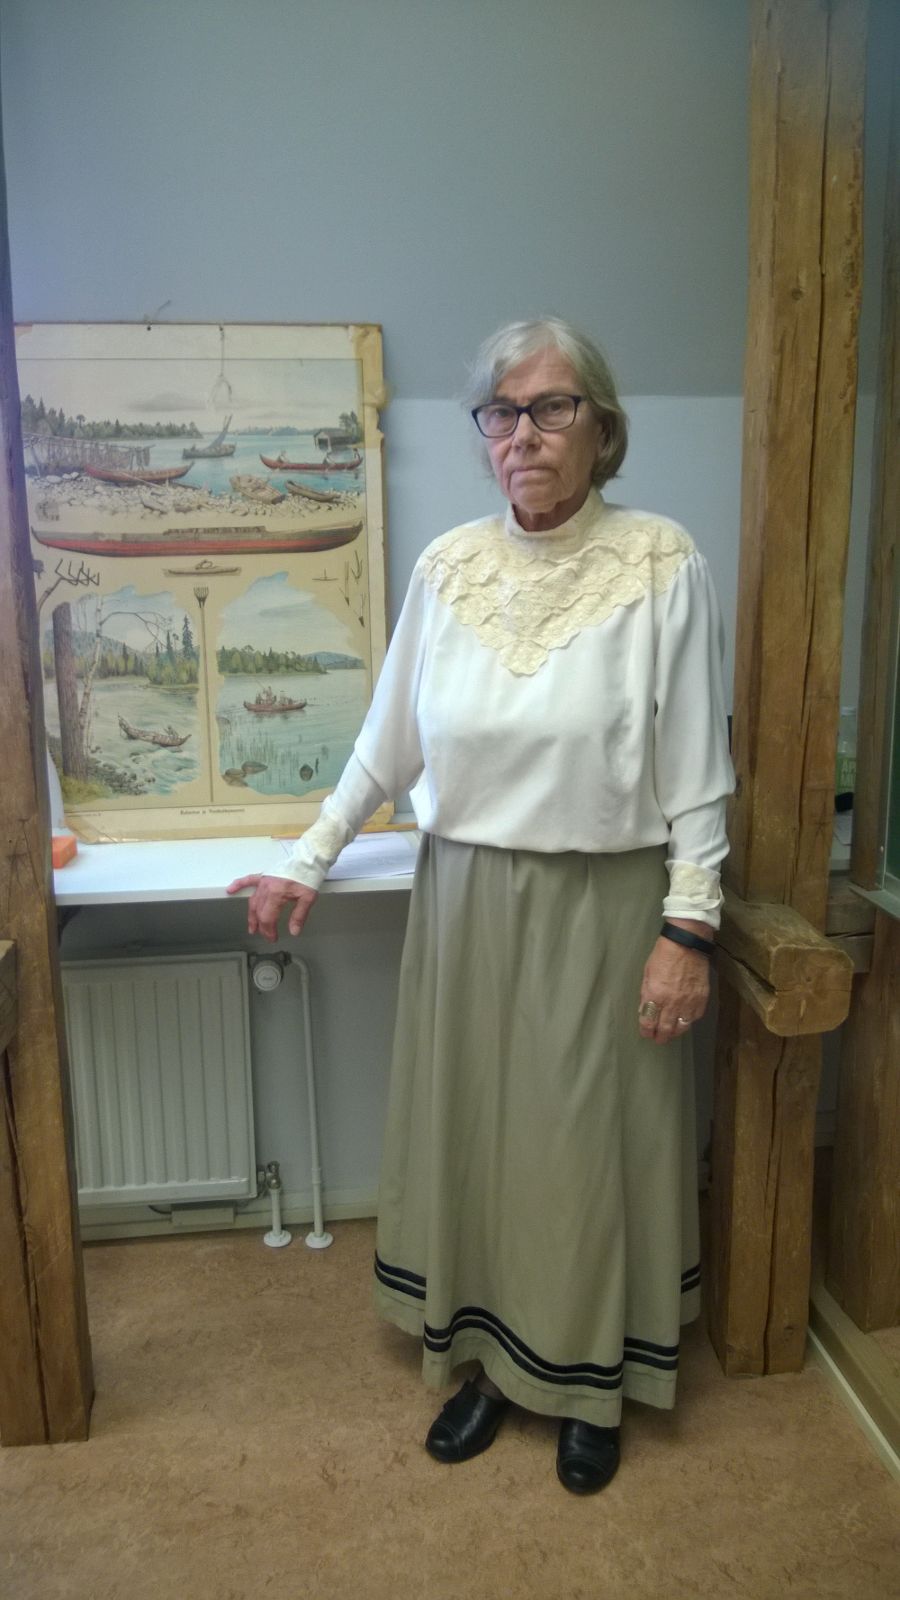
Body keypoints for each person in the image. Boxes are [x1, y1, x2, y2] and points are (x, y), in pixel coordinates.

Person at [227, 317, 734, 1495]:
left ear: (601, 428)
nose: (524, 435)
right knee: (481, 1144)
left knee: (587, 1153)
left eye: (553, 408)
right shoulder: (448, 567)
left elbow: (699, 776)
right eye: (502, 413)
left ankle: (590, 1383)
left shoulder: (661, 563)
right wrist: (308, 856)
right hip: (462, 898)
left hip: (606, 902)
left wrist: (688, 929)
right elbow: (386, 744)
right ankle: (489, 1368)